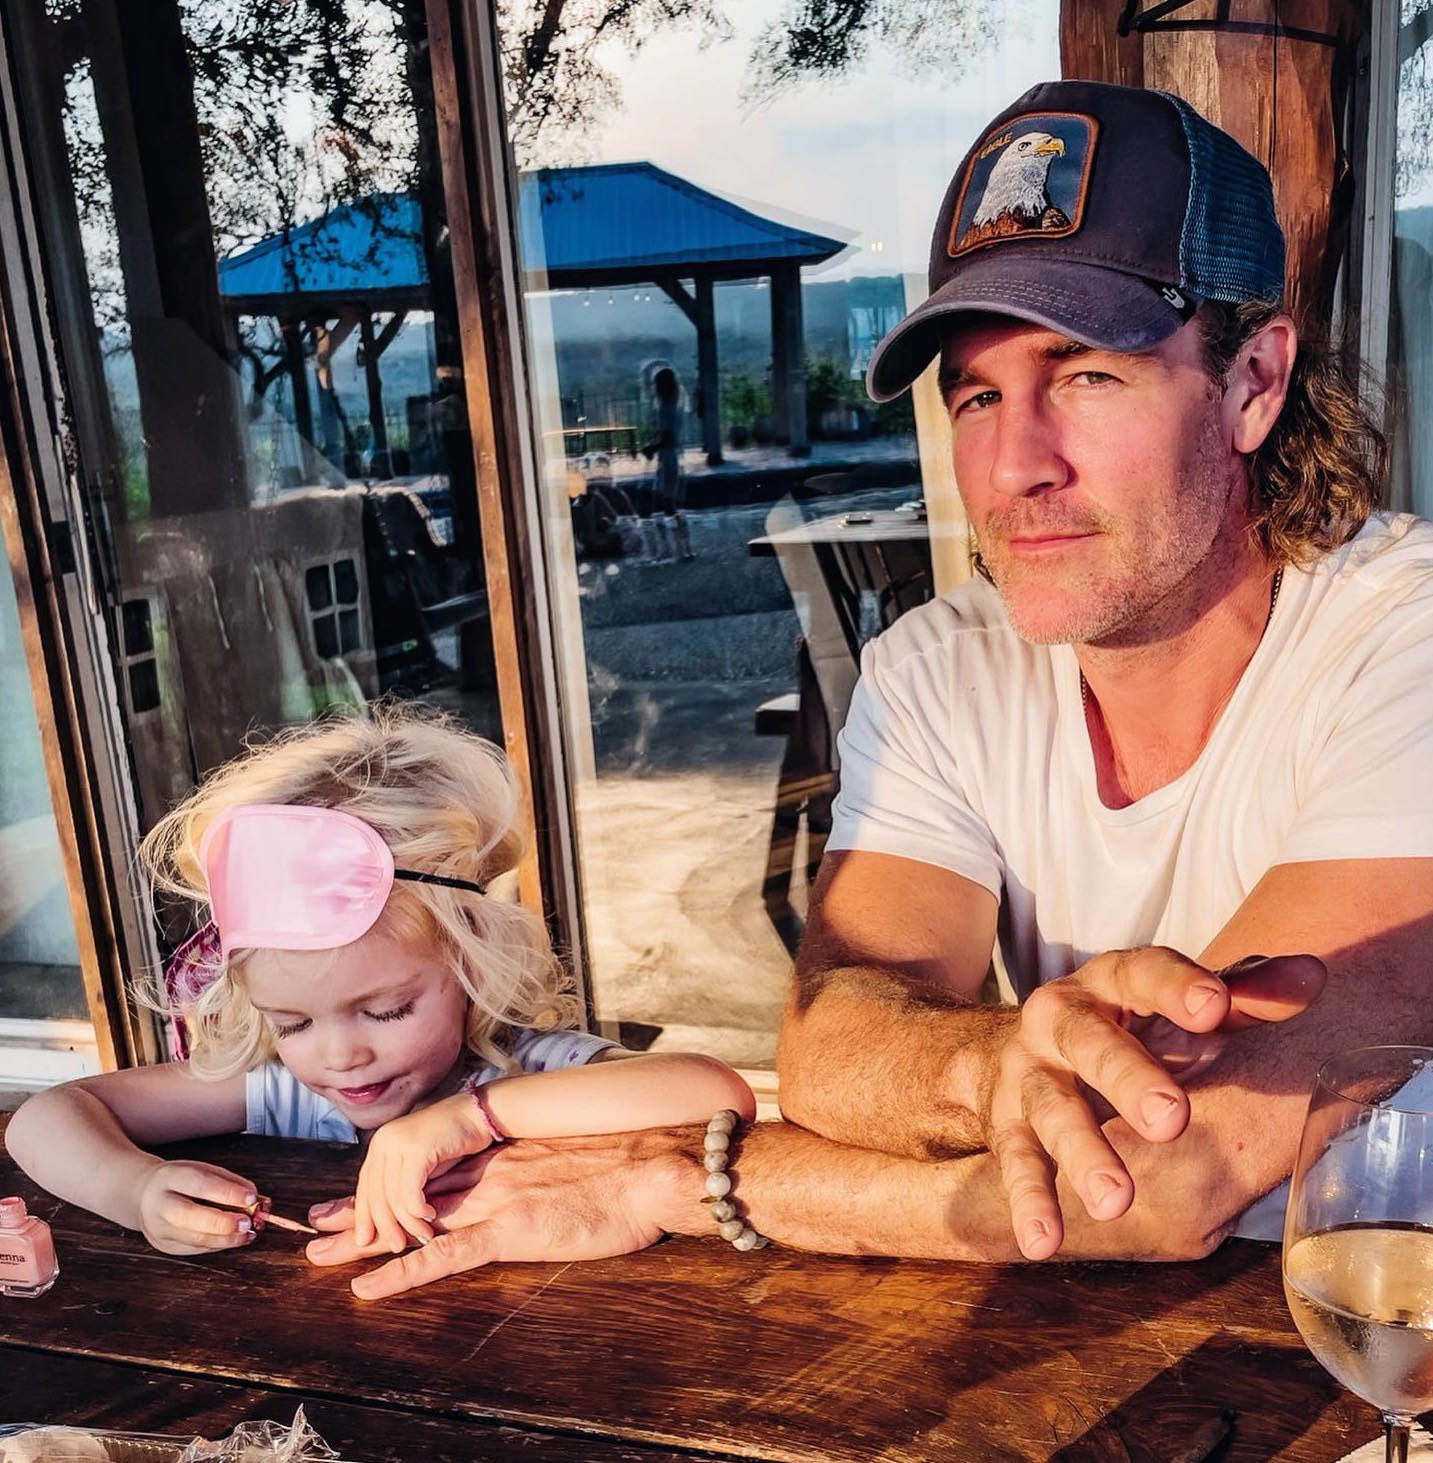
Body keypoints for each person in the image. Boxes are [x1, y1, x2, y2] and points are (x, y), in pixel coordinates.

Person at [206, 80, 1433, 1301]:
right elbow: (838, 1041)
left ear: (1251, 381)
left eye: (1086, 376)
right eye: (975, 395)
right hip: (1094, 1308)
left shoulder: (1402, 643)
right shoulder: (943, 666)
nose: (1013, 465)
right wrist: (990, 1064)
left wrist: (674, 1179)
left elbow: (1174, 1172)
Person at [3, 705, 754, 1287]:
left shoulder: (528, 1067)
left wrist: (471, 1115)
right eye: (291, 1022)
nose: (338, 1055)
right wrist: (134, 1190)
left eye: (386, 1010)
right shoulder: (290, 1091)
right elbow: (45, 1117)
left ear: (472, 965)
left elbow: (711, 1088)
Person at [640, 365, 694, 561]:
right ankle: (681, 547)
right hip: (670, 459)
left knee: (666, 505)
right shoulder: (674, 407)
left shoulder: (666, 409)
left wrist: (651, 448)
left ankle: (676, 549)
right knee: (668, 505)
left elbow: (668, 438)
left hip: (668, 460)